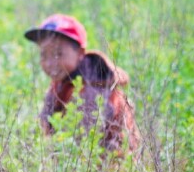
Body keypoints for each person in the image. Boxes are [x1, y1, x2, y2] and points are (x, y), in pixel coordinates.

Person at [24, 13, 141, 154]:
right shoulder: (64, 81)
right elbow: (44, 128)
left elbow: (83, 147)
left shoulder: (93, 89)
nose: (49, 63)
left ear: (80, 53)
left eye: (57, 54)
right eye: (44, 55)